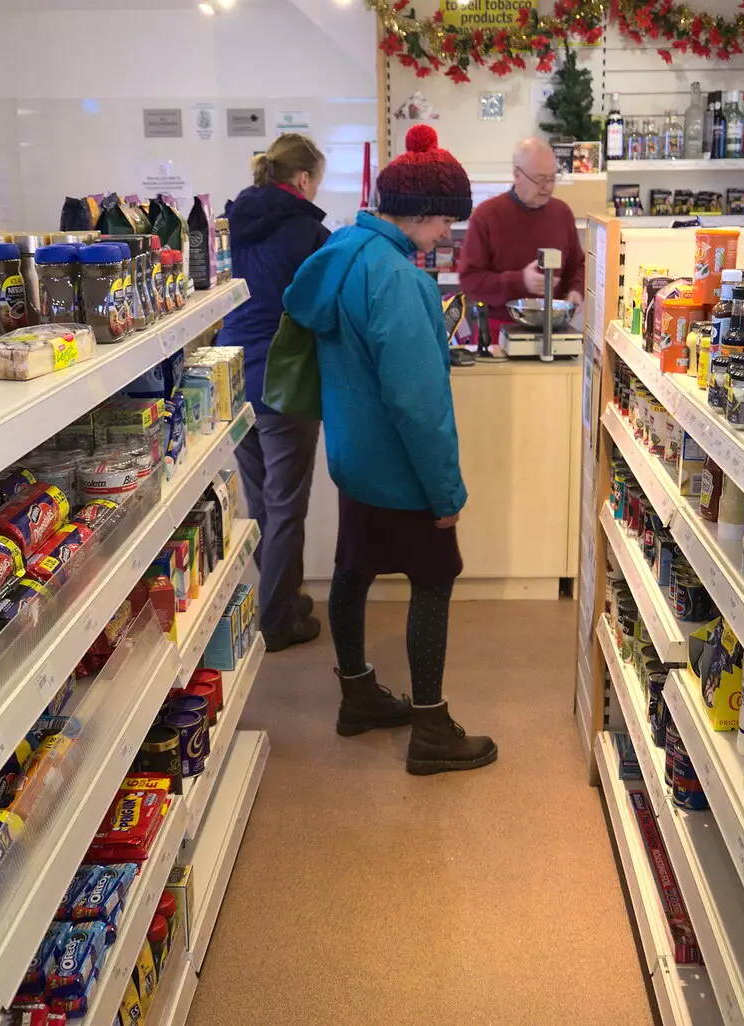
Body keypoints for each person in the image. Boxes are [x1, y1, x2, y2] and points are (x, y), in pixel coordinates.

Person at [284, 125, 498, 776]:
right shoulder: (400, 280)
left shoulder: (343, 250)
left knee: (353, 570)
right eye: (444, 224)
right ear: (423, 214)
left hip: (353, 458)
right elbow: (417, 402)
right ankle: (431, 728)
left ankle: (359, 696)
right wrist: (446, 493)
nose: (444, 237)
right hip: (404, 470)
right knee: (433, 582)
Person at [223, 133, 331, 652]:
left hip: (231, 371)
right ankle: (278, 620)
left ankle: (278, 595)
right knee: (286, 504)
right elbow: (319, 307)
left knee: (262, 497)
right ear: (304, 180)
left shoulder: (235, 223)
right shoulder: (307, 233)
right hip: (283, 377)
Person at [457, 136, 586, 340]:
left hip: (554, 332)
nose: (548, 187)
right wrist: (520, 281)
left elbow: (577, 266)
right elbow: (470, 281)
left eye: (552, 178)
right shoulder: (487, 215)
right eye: (540, 179)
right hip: (497, 335)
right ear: (517, 174)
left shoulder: (562, 213)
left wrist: (576, 291)